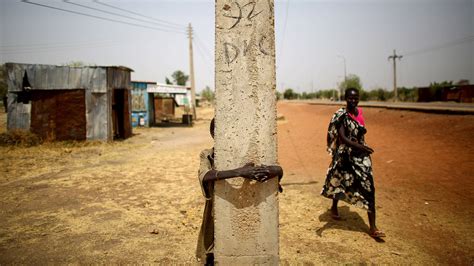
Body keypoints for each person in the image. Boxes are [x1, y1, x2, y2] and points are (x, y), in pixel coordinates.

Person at [196, 118, 283, 265]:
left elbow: (276, 171)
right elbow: (205, 176)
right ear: (213, 134)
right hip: (217, 209)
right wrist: (240, 172)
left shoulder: (245, 152)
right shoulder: (208, 154)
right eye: (220, 132)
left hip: (247, 211)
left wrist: (276, 170)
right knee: (212, 247)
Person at [321, 87, 385, 239]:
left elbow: (360, 131)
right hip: (345, 155)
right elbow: (343, 138)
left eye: (355, 98)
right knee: (338, 180)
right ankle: (334, 207)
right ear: (345, 98)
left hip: (361, 156)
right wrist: (360, 146)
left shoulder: (360, 112)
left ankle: (373, 227)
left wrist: (362, 146)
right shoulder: (342, 115)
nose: (353, 100)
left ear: (359, 99)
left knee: (369, 187)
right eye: (350, 98)